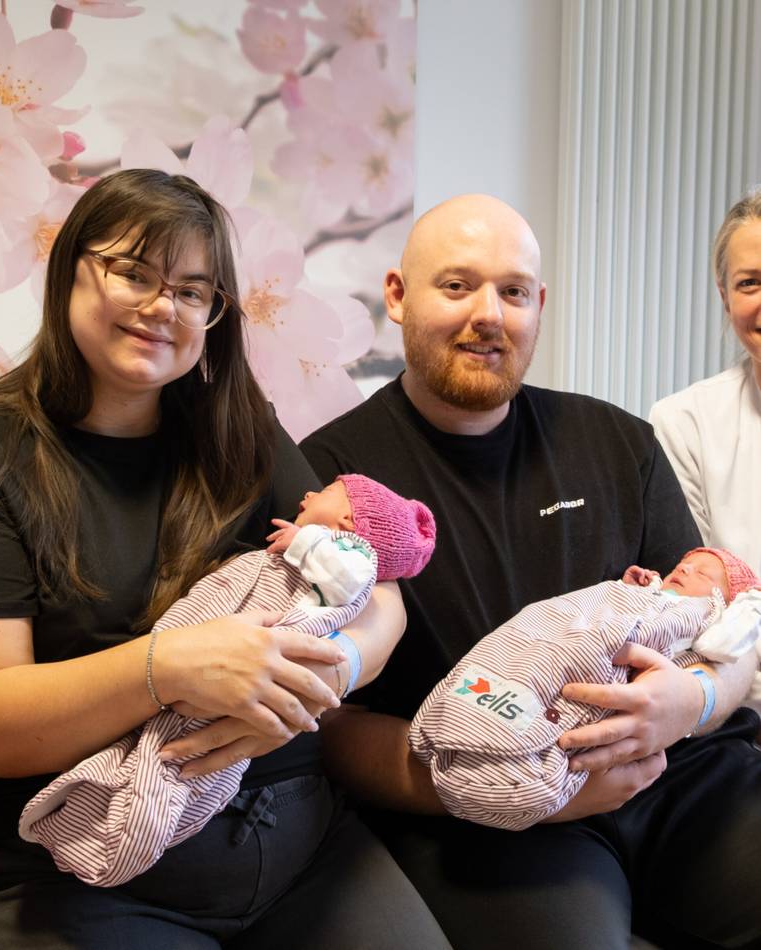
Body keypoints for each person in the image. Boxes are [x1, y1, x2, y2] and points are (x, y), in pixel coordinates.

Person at [0, 169, 448, 950]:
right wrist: (169, 667)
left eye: (194, 291)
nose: (165, 307)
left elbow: (379, 595)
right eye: (134, 272)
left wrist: (324, 677)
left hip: (294, 841)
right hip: (68, 868)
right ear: (68, 273)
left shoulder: (239, 433)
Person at [300, 193, 761, 950]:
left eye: (513, 292)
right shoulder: (336, 481)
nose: (489, 314)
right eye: (456, 285)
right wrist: (508, 792)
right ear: (397, 295)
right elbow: (325, 728)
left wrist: (696, 700)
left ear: (538, 305)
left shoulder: (619, 442)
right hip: (494, 817)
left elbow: (727, 637)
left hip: (680, 777)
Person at [19, 475, 436, 887]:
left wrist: (305, 545)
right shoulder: (301, 550)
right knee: (146, 747)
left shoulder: (346, 555)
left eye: (325, 492)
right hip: (185, 666)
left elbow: (361, 581)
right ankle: (94, 816)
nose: (307, 492)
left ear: (347, 523)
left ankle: (128, 836)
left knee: (180, 760)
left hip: (243, 688)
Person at [410, 547, 761, 831]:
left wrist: (698, 695)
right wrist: (640, 584)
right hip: (559, 639)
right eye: (684, 565)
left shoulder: (708, 614)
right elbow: (614, 605)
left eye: (702, 574)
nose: (684, 571)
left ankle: (513, 758)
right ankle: (466, 718)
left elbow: (735, 647)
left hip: (685, 761)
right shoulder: (641, 592)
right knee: (534, 656)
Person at [650, 187, 761, 713]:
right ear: (724, 295)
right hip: (738, 715)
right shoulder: (683, 422)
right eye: (750, 283)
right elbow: (691, 612)